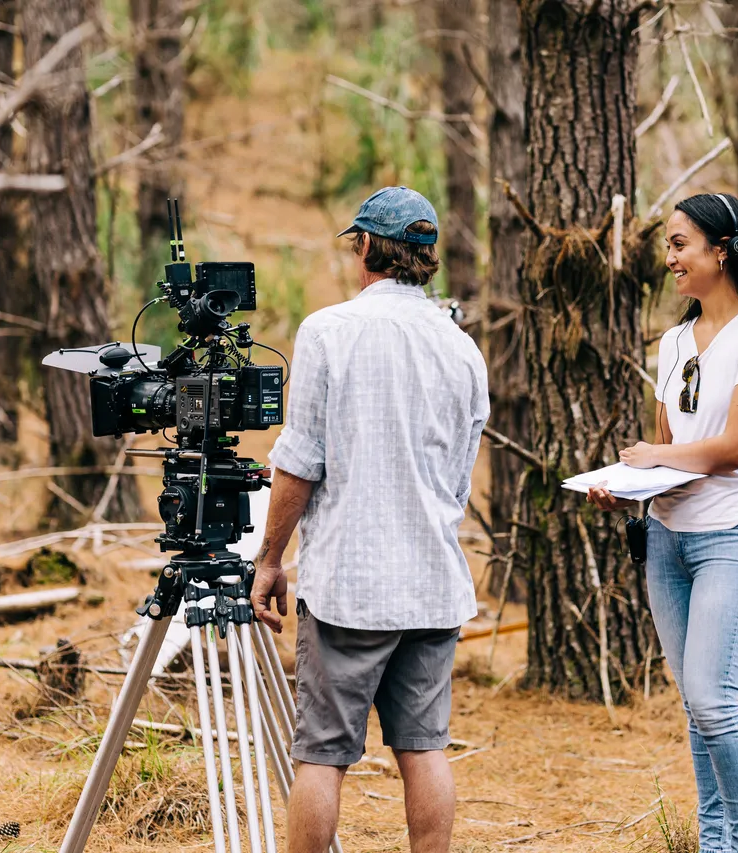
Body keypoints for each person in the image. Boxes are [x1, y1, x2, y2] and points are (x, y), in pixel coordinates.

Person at [249, 186, 490, 853]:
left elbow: (298, 462)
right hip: (432, 586)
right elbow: (458, 477)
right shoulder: (462, 349)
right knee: (423, 748)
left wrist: (270, 556)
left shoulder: (329, 331)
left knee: (322, 755)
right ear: (427, 256)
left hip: (351, 587)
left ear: (364, 248)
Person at [587, 193, 738, 853]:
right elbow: (668, 448)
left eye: (681, 244)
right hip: (667, 544)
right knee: (695, 708)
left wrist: (657, 454)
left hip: (731, 544)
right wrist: (628, 488)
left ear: (722, 247)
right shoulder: (674, 341)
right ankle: (715, 841)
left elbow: (737, 446)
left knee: (713, 701)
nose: (670, 258)